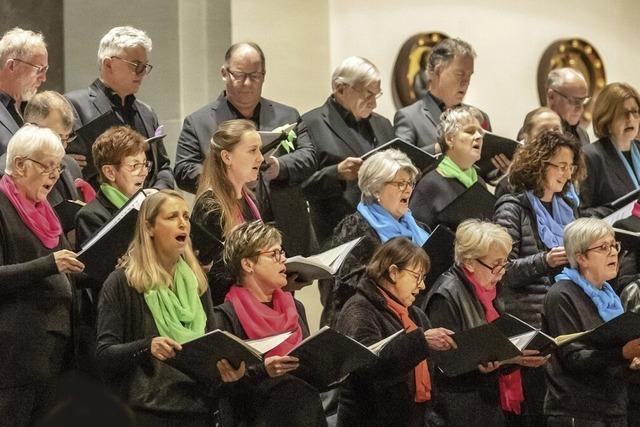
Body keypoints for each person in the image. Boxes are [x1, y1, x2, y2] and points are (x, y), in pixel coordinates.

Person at [174, 41, 317, 256]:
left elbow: (309, 157)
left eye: (255, 76)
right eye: (239, 75)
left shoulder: (288, 115)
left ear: (264, 75)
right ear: (224, 73)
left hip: (286, 226)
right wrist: (228, 176)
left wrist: (279, 166)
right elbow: (183, 170)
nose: (247, 83)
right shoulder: (199, 121)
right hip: (229, 227)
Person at [96, 190, 217, 426]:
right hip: (147, 412)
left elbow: (210, 347)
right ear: (149, 227)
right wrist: (147, 346)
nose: (183, 223)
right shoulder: (123, 282)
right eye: (172, 217)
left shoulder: (197, 282)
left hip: (198, 407)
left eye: (185, 216)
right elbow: (104, 355)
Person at [493, 130, 585, 425]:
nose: (566, 173)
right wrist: (544, 260)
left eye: (570, 166)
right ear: (539, 164)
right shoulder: (512, 206)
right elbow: (501, 269)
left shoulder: (569, 207)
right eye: (560, 165)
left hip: (563, 317)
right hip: (530, 320)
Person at [424, 220, 547, 427]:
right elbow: (446, 366)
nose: (501, 271)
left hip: (490, 403)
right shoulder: (445, 295)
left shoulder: (490, 287)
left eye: (505, 263)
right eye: (495, 264)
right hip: (461, 412)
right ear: (470, 262)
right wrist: (507, 360)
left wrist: (514, 359)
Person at [0, 125, 85, 426]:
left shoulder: (44, 213)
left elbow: (65, 268)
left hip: (53, 355)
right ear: (20, 164)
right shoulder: (2, 206)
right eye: (47, 166)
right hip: (14, 360)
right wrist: (49, 264)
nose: (54, 175)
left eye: (58, 167)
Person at [212, 220, 326, 426]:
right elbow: (222, 389)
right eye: (274, 254)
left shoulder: (295, 306)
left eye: (281, 252)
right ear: (247, 264)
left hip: (306, 414)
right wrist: (263, 371)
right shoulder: (226, 316)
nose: (283, 260)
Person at [336, 237, 456, 427]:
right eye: (417, 277)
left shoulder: (415, 314)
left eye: (424, 278)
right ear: (393, 272)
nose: (422, 286)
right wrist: (421, 342)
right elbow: (366, 366)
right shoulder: (359, 309)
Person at [543, 217, 640, 426]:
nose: (613, 252)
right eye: (603, 247)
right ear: (581, 258)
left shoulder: (609, 295)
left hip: (613, 406)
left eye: (614, 245)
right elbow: (573, 357)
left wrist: (632, 359)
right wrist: (623, 353)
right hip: (579, 411)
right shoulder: (562, 295)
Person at [322, 148, 429, 327]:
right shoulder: (354, 230)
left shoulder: (420, 229)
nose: (408, 190)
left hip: (415, 317)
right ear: (376, 189)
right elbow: (341, 293)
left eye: (410, 183)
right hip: (370, 323)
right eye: (400, 183)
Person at [66, 26, 174, 191]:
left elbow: (163, 167)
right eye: (136, 65)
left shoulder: (147, 113)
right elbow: (66, 171)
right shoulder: (72, 106)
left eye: (145, 66)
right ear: (108, 64)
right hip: (99, 212)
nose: (142, 73)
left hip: (148, 211)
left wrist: (157, 193)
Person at [302, 56, 394, 242]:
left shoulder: (383, 124)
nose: (374, 103)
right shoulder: (311, 124)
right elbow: (300, 188)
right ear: (341, 88)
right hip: (338, 235)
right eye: (368, 94)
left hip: (386, 232)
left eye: (377, 95)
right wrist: (336, 174)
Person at [190, 119, 263, 305]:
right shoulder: (210, 207)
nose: (261, 158)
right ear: (227, 157)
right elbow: (206, 274)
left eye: (259, 150)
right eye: (252, 150)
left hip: (252, 298)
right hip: (225, 306)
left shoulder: (249, 199)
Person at [393, 38, 491, 155]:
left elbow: (489, 169)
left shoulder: (479, 118)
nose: (466, 82)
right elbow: (401, 163)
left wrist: (502, 168)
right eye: (460, 74)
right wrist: (440, 147)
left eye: (469, 75)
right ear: (437, 71)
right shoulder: (409, 117)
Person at [409, 105, 491, 230]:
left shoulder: (479, 182)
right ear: (449, 139)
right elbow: (416, 235)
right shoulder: (431, 183)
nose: (479, 137)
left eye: (480, 132)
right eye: (470, 131)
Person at [75, 126, 149, 246]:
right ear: (110, 172)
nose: (144, 172)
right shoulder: (91, 217)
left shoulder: (149, 205)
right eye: (135, 166)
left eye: (145, 164)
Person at [580, 82, 640, 217]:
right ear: (606, 119)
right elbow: (581, 214)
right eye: (623, 113)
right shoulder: (590, 156)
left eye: (635, 112)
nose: (630, 119)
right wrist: (618, 209)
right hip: (616, 236)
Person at [495, 107, 564, 198]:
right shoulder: (510, 185)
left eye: (556, 130)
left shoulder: (566, 176)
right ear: (526, 136)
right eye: (544, 131)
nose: (552, 135)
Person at [0, 27, 48, 152]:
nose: (43, 78)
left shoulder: (36, 110)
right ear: (12, 66)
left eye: (45, 70)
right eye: (39, 69)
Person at [545, 68, 591, 146]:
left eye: (583, 101)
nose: (580, 108)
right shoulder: (536, 131)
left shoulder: (582, 134)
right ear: (551, 96)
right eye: (574, 101)